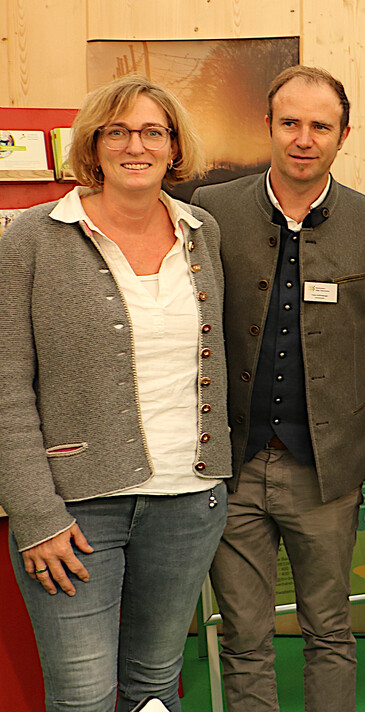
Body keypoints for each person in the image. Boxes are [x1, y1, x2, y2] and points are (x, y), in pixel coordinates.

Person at [0, 75, 229, 712]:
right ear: (93, 146)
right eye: (117, 131)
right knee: (82, 696)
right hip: (75, 513)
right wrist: (37, 516)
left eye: (153, 131)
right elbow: (6, 389)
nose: (136, 144)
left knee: (155, 689)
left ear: (174, 145)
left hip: (188, 501)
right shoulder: (33, 237)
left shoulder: (200, 231)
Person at [190, 65, 365, 711]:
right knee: (245, 637)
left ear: (344, 134)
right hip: (232, 467)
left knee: (329, 631)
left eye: (321, 125)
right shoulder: (212, 210)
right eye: (291, 122)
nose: (304, 138)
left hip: (327, 472)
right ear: (269, 126)